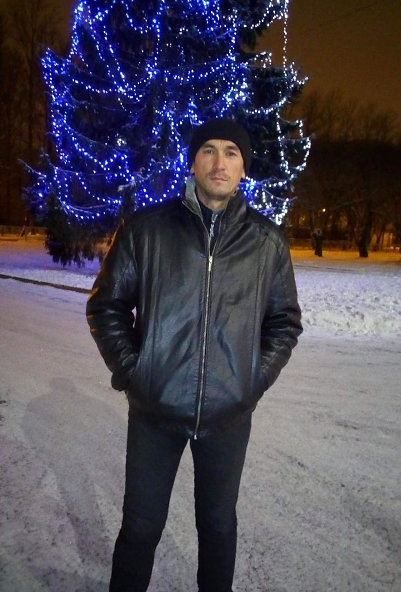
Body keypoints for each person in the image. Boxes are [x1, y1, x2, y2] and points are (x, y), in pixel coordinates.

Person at [86, 118, 302, 592]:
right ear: (193, 162)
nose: (219, 162)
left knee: (218, 529)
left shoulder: (267, 243)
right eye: (208, 150)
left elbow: (285, 322)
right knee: (140, 529)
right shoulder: (146, 230)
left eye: (231, 152)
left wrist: (250, 380)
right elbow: (106, 306)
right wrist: (136, 372)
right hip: (155, 413)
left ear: (243, 168)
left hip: (228, 417)